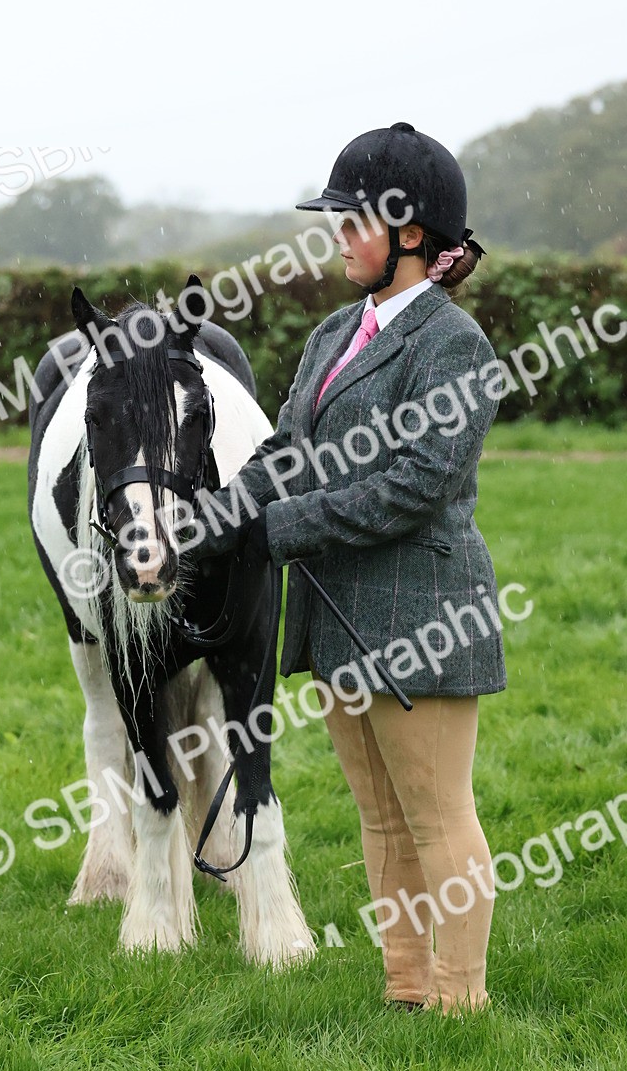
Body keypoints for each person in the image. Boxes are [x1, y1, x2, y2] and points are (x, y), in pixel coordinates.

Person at [188, 121, 507, 1016]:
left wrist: (274, 530)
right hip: (339, 612)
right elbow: (288, 449)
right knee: (379, 815)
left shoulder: (455, 346)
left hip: (422, 608)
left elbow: (414, 487)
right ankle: (406, 988)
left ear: (413, 235)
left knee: (437, 814)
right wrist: (219, 516)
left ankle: (460, 1000)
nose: (338, 235)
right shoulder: (337, 332)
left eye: (353, 219)